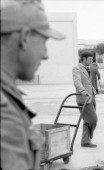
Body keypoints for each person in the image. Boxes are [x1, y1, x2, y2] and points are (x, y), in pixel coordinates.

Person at [0, 0, 65, 169]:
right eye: (44, 43)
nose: (45, 55)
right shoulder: (5, 114)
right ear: (25, 37)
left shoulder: (8, 94)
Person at [72, 51, 98, 148]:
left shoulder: (88, 69)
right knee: (93, 119)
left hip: (91, 97)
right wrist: (83, 91)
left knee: (87, 120)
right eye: (90, 59)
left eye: (92, 59)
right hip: (84, 98)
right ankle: (88, 138)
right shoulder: (76, 69)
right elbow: (77, 82)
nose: (92, 60)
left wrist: (93, 90)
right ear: (83, 59)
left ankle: (85, 141)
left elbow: (87, 82)